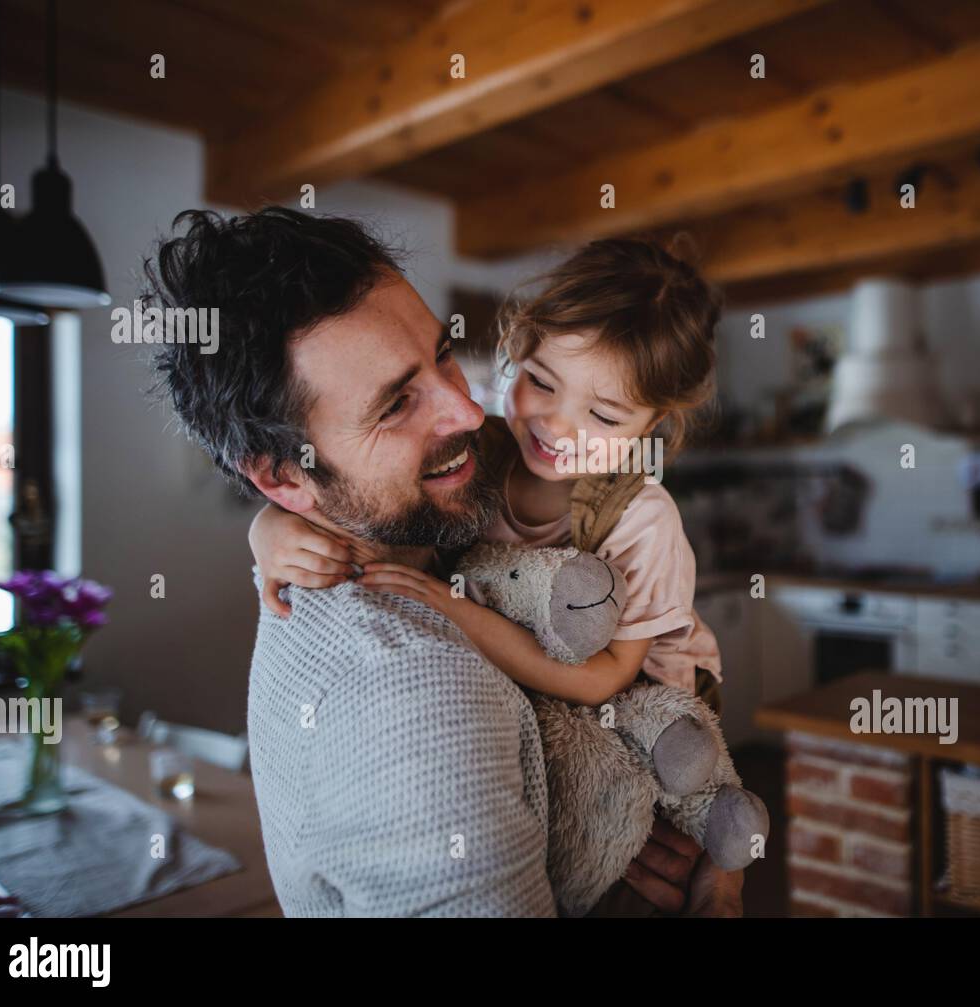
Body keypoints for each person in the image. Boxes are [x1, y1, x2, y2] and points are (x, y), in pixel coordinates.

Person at [146, 207, 741, 916]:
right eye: (397, 402)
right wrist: (268, 528)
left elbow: (611, 682)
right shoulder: (415, 685)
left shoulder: (619, 514)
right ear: (284, 477)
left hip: (645, 710)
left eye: (444, 356)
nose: (464, 410)